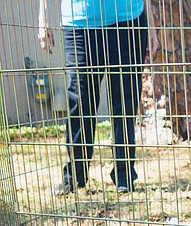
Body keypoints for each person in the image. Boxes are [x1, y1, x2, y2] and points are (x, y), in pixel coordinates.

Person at [38, 0, 158, 195]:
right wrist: (43, 19)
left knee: (125, 102)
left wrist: (151, 26)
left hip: (127, 20)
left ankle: (125, 175)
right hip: (79, 24)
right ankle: (75, 176)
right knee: (80, 101)